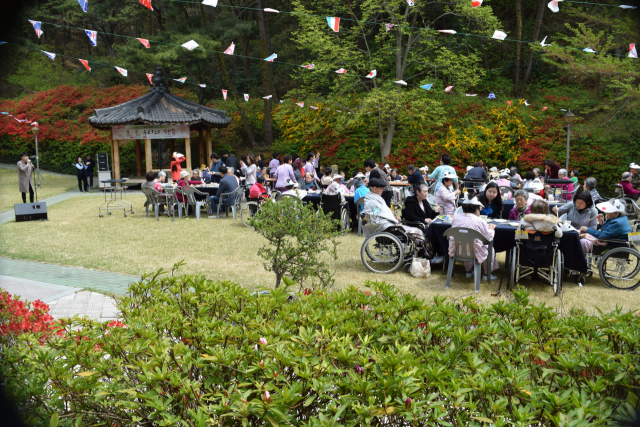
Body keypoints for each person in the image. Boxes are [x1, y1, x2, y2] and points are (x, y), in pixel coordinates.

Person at [448, 196, 498, 280]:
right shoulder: (479, 220)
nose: (481, 209)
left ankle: (468, 272)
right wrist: (491, 228)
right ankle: (486, 274)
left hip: (457, 250)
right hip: (475, 251)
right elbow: (488, 237)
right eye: (479, 207)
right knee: (490, 249)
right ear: (476, 208)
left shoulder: (456, 218)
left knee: (466, 243)